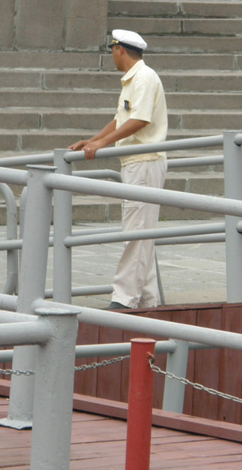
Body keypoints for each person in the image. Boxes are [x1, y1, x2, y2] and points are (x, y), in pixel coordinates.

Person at [69, 30, 168, 310]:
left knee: (136, 232)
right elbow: (120, 118)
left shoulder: (144, 78)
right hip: (136, 162)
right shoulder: (133, 80)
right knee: (140, 231)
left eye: (112, 49)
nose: (112, 54)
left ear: (119, 50)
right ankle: (147, 298)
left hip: (145, 161)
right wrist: (94, 140)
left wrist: (102, 144)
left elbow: (140, 120)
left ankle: (124, 298)